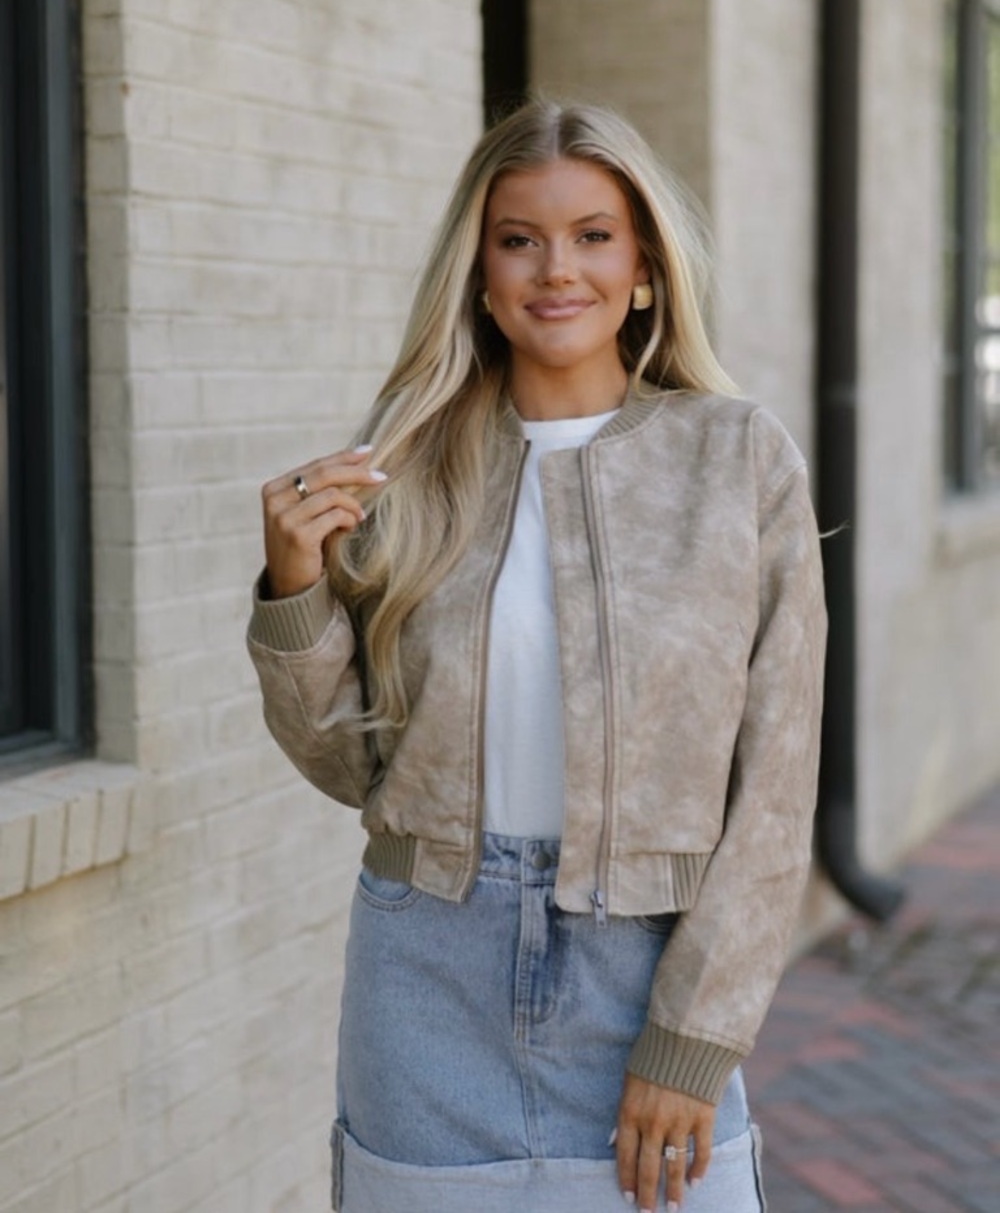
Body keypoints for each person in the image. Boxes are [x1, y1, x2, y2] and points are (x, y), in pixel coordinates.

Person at [247, 100, 827, 1213]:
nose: (555, 268)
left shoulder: (734, 458)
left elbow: (776, 784)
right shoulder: (406, 468)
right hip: (425, 978)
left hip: (643, 970)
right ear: (478, 271)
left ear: (645, 267)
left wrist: (691, 1037)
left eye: (593, 234)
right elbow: (353, 769)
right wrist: (295, 593)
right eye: (519, 238)